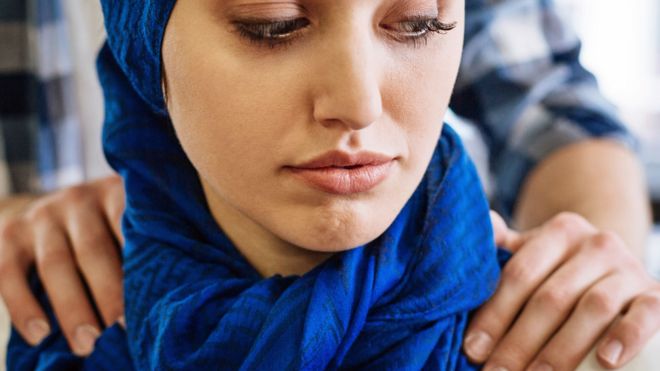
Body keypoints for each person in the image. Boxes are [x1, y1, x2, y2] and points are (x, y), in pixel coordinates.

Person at [0, 0, 656, 369]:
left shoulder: (591, 347)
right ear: (145, 53)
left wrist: (583, 301)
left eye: (418, 22)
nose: (358, 102)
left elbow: (548, 100)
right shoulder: (56, 329)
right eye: (273, 24)